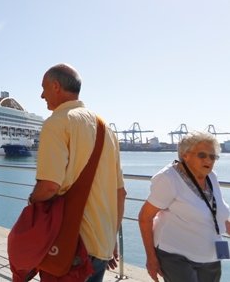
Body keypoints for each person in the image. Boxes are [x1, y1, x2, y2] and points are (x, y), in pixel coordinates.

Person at [29, 63, 126, 282]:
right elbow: (120, 193)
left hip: (71, 244)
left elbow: (49, 186)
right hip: (102, 243)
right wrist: (112, 240)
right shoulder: (106, 128)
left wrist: (31, 203)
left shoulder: (57, 123)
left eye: (43, 88)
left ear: (56, 86)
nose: (41, 95)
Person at [138, 132, 230, 282]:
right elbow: (145, 218)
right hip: (176, 256)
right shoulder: (169, 179)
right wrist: (151, 258)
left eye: (213, 156)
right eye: (202, 155)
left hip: (211, 258)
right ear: (185, 155)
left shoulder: (212, 177)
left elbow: (216, 216)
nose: (208, 160)